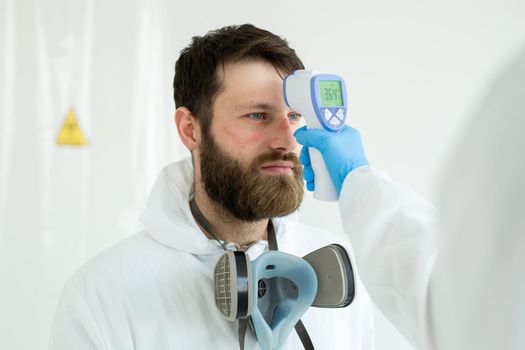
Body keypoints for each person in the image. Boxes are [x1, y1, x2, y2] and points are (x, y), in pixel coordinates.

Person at [48, 24, 377, 349]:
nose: (288, 140)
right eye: (257, 116)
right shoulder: (101, 296)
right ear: (191, 129)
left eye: (294, 116)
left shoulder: (339, 273)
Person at [294, 46, 525, 349]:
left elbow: (459, 303)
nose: (281, 135)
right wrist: (357, 181)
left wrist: (358, 182)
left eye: (293, 115)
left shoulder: (338, 267)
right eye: (257, 115)